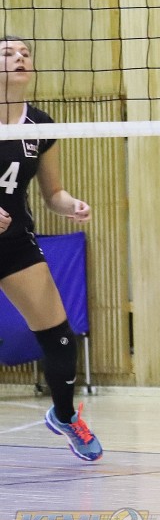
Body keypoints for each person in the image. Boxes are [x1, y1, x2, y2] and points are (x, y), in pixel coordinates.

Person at [0, 38, 100, 461]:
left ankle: (64, 415)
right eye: (8, 53)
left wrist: (70, 205)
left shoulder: (40, 125)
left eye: (25, 53)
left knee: (60, 338)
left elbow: (52, 193)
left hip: (14, 245)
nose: (19, 58)